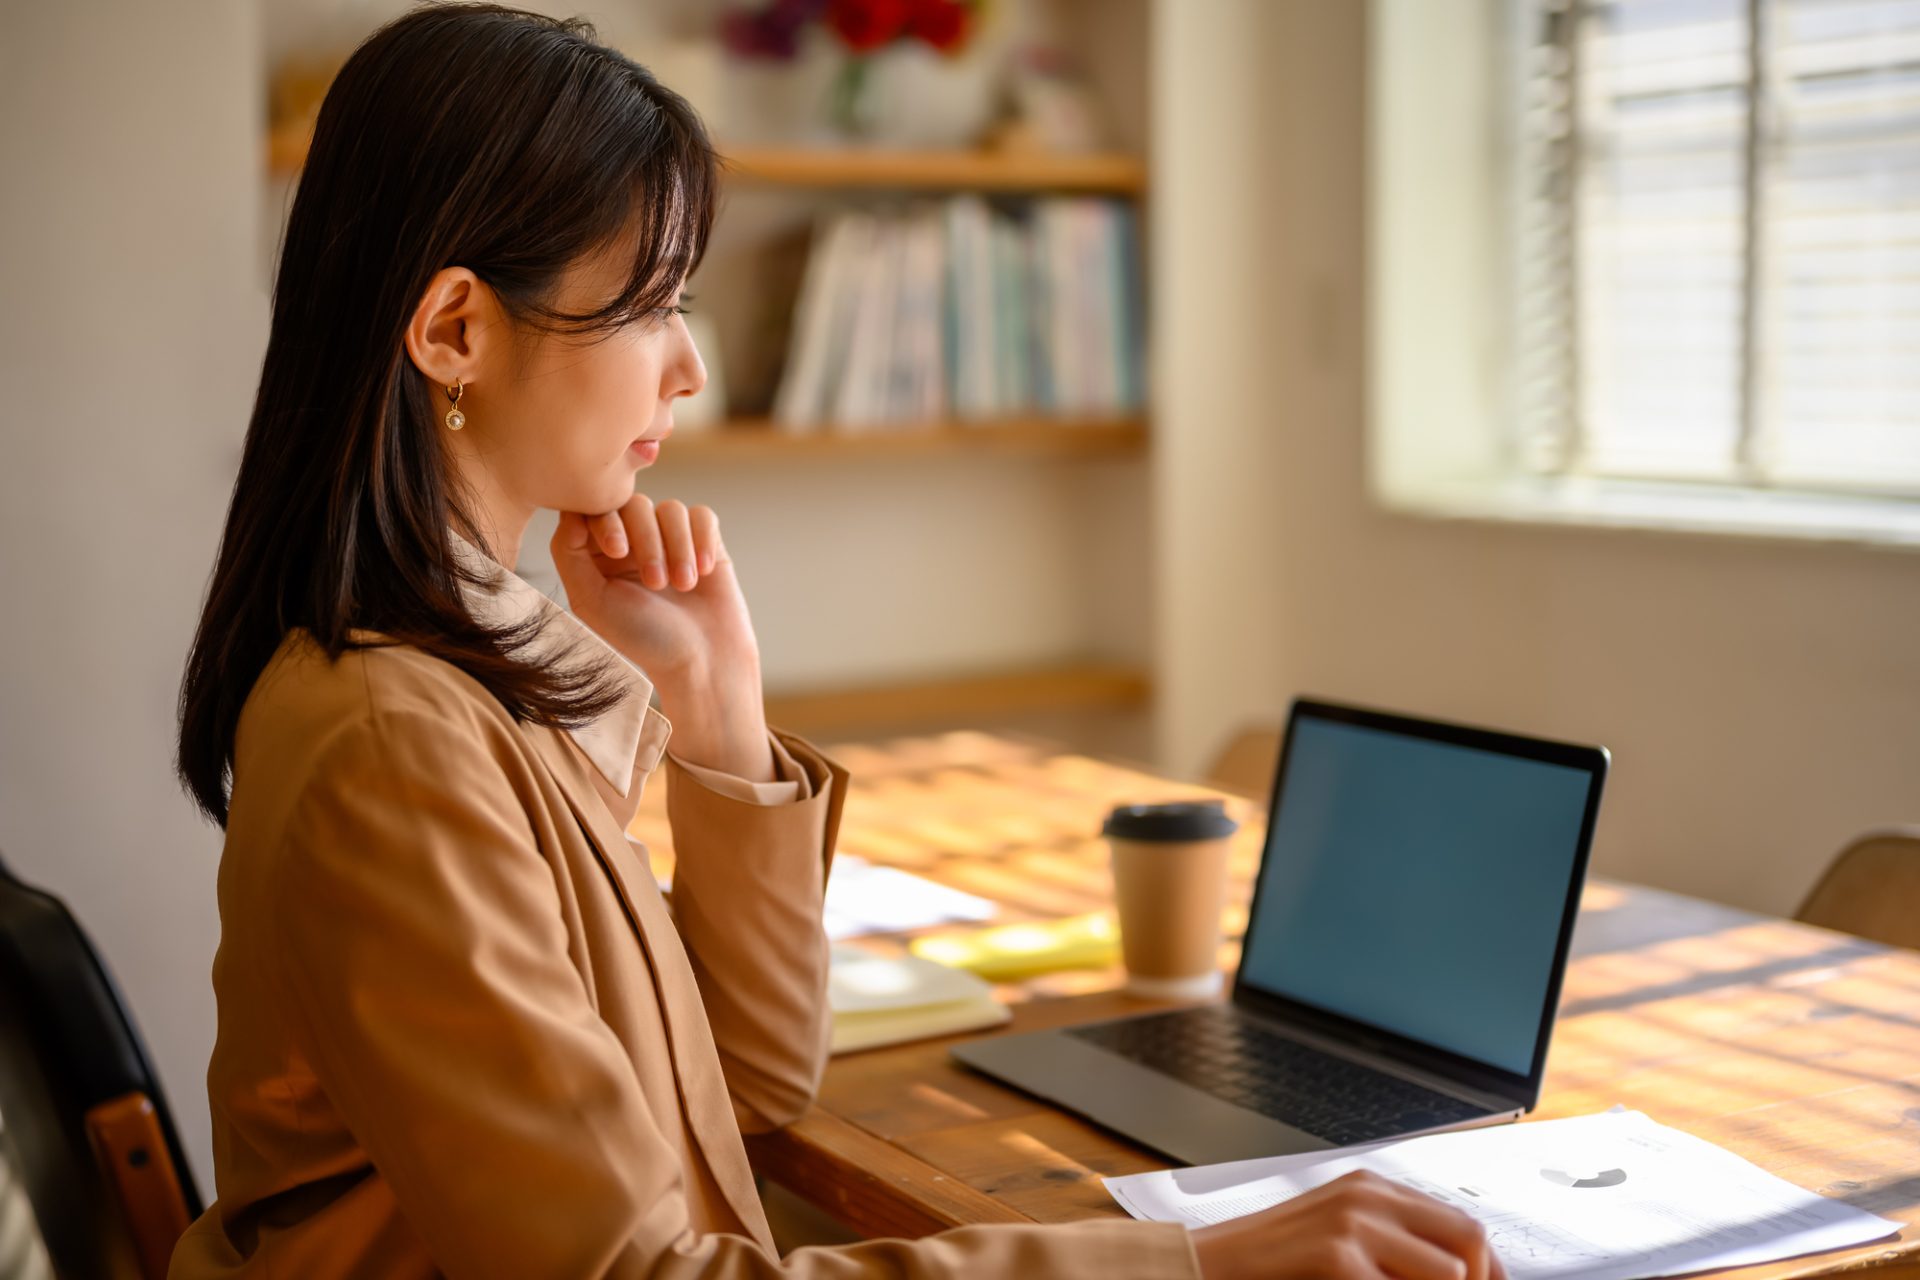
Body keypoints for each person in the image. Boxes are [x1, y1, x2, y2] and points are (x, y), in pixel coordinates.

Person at [169, 6, 1507, 1278]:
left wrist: (718, 710)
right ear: (457, 330)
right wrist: (1195, 1259)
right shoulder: (395, 741)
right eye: (650, 303)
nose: (687, 367)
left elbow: (739, 1090)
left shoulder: (453, 672)